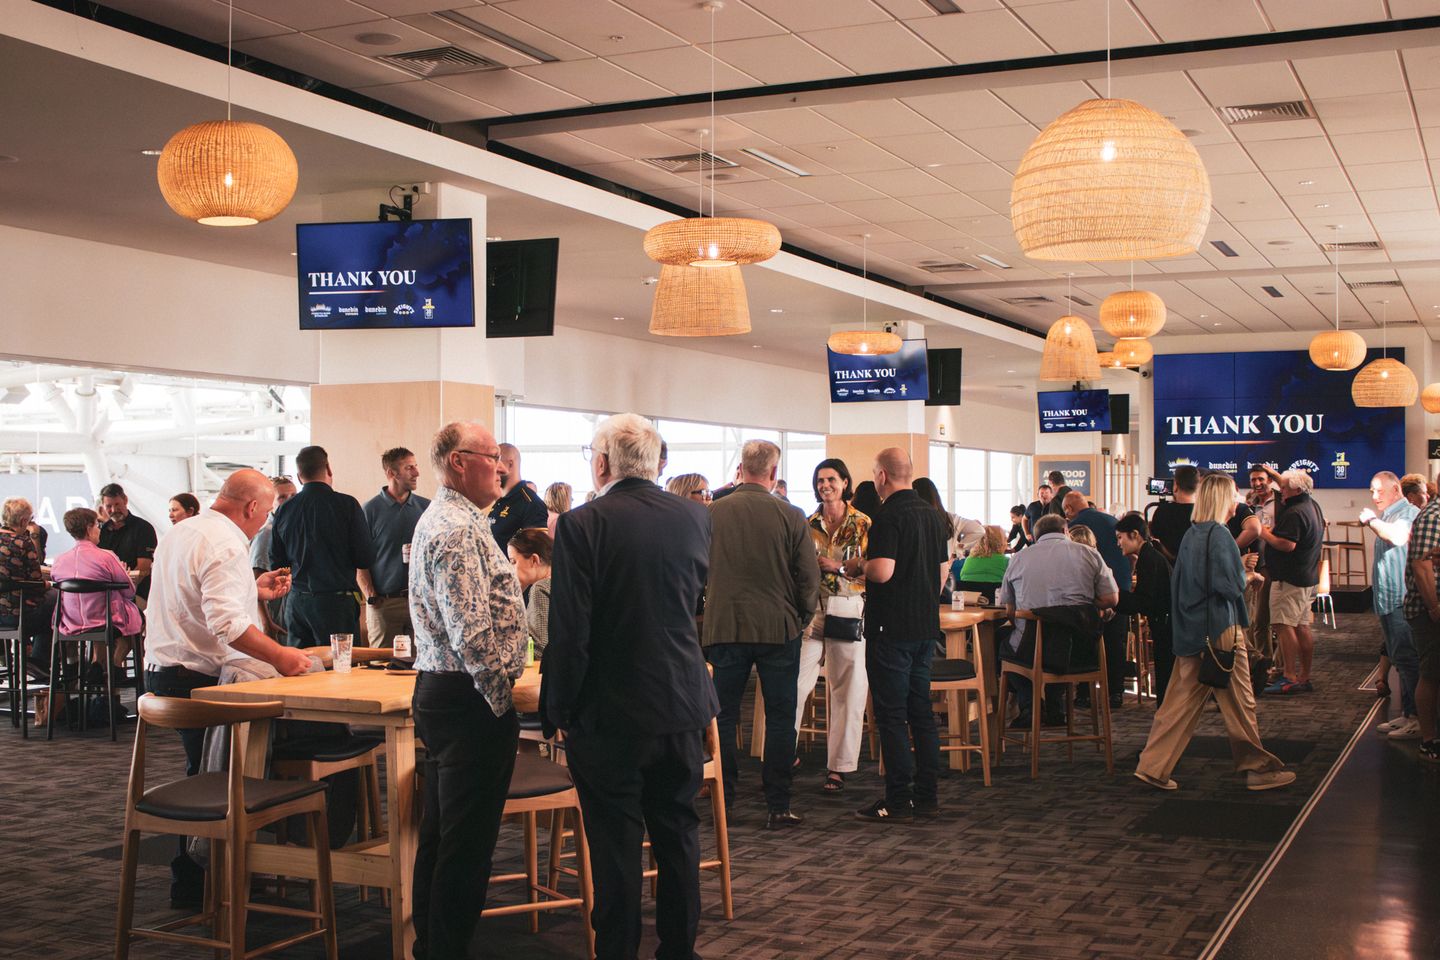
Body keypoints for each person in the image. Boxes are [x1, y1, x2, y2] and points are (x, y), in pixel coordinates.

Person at [542, 413, 717, 960]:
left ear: (601, 464)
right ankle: (678, 951)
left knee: (614, 845)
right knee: (678, 835)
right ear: (654, 462)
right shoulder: (694, 518)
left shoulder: (582, 524)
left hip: (611, 710)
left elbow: (571, 631)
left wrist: (558, 708)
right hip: (683, 702)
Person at [144, 469, 309, 907]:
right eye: (267, 513)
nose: (266, 524)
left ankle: (212, 877)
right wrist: (281, 655)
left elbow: (195, 597)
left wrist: (251, 589)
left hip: (164, 667)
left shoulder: (183, 530)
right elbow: (227, 624)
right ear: (252, 507)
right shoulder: (227, 542)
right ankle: (205, 883)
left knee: (204, 775)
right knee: (214, 781)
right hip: (198, 676)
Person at [409, 421, 528, 960]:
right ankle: (444, 948)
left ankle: (433, 944)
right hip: (467, 699)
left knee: (443, 836)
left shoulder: (456, 519)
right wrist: (500, 698)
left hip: (451, 694)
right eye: (490, 456)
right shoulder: (456, 528)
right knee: (464, 845)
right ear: (459, 462)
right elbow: (470, 631)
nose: (500, 466)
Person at [1134, 473, 1296, 792]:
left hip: (1193, 629)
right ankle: (1258, 769)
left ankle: (1152, 767)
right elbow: (1227, 585)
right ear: (1224, 498)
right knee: (1241, 702)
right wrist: (1248, 576)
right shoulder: (1219, 536)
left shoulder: (1194, 534)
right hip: (1219, 629)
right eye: (1234, 494)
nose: (1238, 500)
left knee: (1178, 704)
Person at [704, 439, 819, 829]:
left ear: (741, 469)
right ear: (773, 473)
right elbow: (809, 577)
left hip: (725, 626)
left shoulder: (712, 513)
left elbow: (695, 571)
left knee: (722, 717)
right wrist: (800, 618)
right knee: (781, 717)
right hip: (777, 626)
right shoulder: (791, 515)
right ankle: (778, 804)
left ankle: (725, 799)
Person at [843, 448, 949, 822]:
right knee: (921, 713)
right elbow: (940, 574)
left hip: (891, 629)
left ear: (882, 476)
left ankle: (897, 799)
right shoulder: (933, 516)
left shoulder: (888, 515)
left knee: (890, 715)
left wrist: (855, 566)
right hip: (924, 626)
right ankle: (927, 796)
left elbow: (882, 572)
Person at [794, 458, 871, 795]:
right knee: (793, 684)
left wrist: (837, 567)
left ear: (844, 482)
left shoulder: (863, 523)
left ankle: (838, 769)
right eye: (820, 480)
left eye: (831, 480)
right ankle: (784, 755)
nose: (825, 485)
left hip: (848, 608)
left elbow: (870, 569)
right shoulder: (805, 523)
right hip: (811, 611)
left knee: (847, 691)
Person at [997, 514, 1119, 727]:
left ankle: (1030, 705)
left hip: (1031, 649)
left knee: (1004, 649)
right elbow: (1111, 599)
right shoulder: (1089, 554)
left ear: (1035, 536)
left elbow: (1009, 609)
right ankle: (1055, 705)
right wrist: (1082, 607)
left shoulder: (1019, 558)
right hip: (1081, 650)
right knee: (1060, 643)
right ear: (1065, 531)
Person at [271, 445, 373, 648]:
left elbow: (277, 561)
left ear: (300, 477)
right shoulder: (347, 505)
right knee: (341, 667)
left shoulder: (284, 511)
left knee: (301, 665)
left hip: (297, 602)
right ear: (329, 468)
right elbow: (364, 558)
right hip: (336, 603)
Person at [1362, 471, 1422, 740]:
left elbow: (1397, 538)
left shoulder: (1406, 514)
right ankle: (1409, 714)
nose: (1374, 496)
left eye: (1379, 491)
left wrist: (1372, 520)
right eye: (1372, 491)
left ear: (1396, 489)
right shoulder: (1389, 514)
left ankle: (1420, 719)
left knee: (1408, 660)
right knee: (1400, 659)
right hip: (1389, 600)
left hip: (1401, 600)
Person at [50, 507, 145, 672]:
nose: (99, 530)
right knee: (136, 620)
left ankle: (94, 667)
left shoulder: (59, 560)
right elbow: (129, 592)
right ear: (88, 529)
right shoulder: (106, 557)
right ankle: (112, 668)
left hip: (70, 622)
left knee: (105, 616)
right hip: (104, 620)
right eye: (96, 525)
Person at [1258, 469, 1325, 695]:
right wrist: (1274, 474)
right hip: (1305, 577)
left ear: (1295, 489)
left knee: (1283, 625)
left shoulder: (1295, 512)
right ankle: (1303, 676)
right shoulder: (1312, 505)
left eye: (1284, 488)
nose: (1280, 490)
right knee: (1301, 625)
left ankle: (1289, 676)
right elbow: (1289, 484)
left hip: (1289, 579)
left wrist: (1263, 533)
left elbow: (1287, 545)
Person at [1064, 491, 1132, 708]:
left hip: (1084, 597)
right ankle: (1116, 692)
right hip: (1118, 590)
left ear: (1069, 510)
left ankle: (1083, 692)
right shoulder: (1112, 521)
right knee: (1115, 643)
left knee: (1084, 642)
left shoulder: (1074, 528)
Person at [359, 447, 430, 648]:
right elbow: (359, 560)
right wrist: (371, 596)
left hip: (420, 603)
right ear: (391, 473)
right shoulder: (369, 511)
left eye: (416, 466)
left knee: (421, 667)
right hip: (385, 604)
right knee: (382, 666)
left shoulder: (426, 508)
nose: (417, 473)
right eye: (409, 468)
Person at [1114, 513, 1175, 704]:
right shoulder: (1150, 554)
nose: (1118, 543)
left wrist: (1114, 594)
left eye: (1120, 537)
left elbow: (1143, 601)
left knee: (1167, 681)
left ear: (1134, 534)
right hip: (1167, 623)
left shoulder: (1148, 558)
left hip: (1166, 626)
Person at [1404, 477, 1440, 764]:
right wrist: (1434, 607)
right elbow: (1421, 564)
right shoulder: (1433, 516)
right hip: (1428, 612)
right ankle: (1429, 740)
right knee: (1431, 673)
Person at [249, 475, 297, 640]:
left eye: (293, 496)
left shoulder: (294, 528)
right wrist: (267, 623)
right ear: (271, 503)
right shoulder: (267, 533)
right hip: (277, 617)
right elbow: (256, 580)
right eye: (282, 497)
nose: (289, 501)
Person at [0, 498, 49, 647]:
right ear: (23, 521)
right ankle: (38, 661)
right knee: (56, 605)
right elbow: (36, 584)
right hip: (15, 615)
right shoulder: (23, 542)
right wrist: (46, 584)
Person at [97, 483, 157, 598]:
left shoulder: (143, 528)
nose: (114, 510)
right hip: (105, 593)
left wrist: (122, 590)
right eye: (109, 506)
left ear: (125, 500)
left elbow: (143, 569)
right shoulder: (101, 530)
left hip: (136, 592)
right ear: (103, 507)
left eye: (117, 504)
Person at [489, 442, 548, 553]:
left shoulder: (530, 503)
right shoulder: (500, 501)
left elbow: (537, 554)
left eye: (497, 466)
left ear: (510, 465)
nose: (493, 472)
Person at [508, 527, 552, 660]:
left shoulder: (541, 588)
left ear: (534, 560)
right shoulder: (567, 581)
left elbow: (539, 649)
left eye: (513, 562)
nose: (509, 569)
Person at [1149, 465, 1198, 562]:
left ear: (1175, 486)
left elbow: (1155, 540)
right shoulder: (1204, 513)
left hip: (1167, 570)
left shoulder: (1162, 512)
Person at [953, 525, 1008, 592]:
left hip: (970, 599)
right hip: (996, 599)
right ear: (1001, 542)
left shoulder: (968, 560)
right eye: (1005, 539)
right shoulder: (1007, 561)